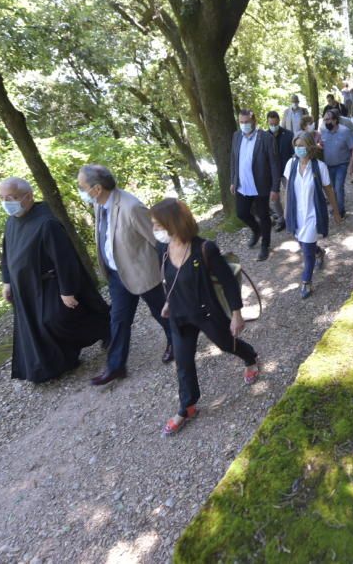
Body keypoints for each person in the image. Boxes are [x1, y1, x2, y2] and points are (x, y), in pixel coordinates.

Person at [151, 198, 260, 435]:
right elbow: (170, 278)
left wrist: (236, 315)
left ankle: (249, 356)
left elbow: (229, 283)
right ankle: (186, 407)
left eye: (158, 225)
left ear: (173, 223)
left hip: (206, 312)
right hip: (179, 316)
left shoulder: (205, 249)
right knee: (183, 363)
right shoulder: (163, 248)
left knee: (226, 344)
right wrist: (169, 302)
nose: (155, 230)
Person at [0, 177, 110, 383]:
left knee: (57, 320)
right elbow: (7, 254)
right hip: (26, 288)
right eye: (2, 198)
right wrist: (7, 280)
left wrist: (67, 290)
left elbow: (64, 258)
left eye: (11, 197)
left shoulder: (46, 222)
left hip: (51, 283)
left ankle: (107, 327)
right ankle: (57, 364)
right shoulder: (11, 222)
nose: (6, 202)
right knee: (38, 326)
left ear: (28, 196)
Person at [78, 164, 174, 386]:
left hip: (143, 272)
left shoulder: (131, 207)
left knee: (161, 312)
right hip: (116, 274)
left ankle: (176, 342)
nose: (80, 191)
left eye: (82, 187)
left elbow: (157, 240)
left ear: (97, 188)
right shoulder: (98, 204)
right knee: (119, 320)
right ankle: (116, 367)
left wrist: (167, 271)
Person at [283, 134, 342, 299]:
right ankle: (319, 252)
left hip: (312, 215)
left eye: (301, 145)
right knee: (304, 245)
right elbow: (287, 189)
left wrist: (336, 212)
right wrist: (286, 211)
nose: (298, 149)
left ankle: (306, 282)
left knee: (306, 252)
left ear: (309, 147)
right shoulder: (291, 164)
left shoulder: (319, 167)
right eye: (296, 145)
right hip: (296, 215)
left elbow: (329, 190)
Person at [230, 110, 281, 261]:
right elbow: (233, 159)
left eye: (247, 122)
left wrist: (275, 188)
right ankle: (256, 230)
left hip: (260, 186)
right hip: (242, 185)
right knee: (241, 213)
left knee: (264, 215)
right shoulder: (236, 136)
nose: (244, 125)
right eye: (241, 122)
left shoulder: (265, 138)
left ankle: (265, 244)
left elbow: (274, 164)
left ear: (254, 121)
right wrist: (233, 180)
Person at [320, 109, 353, 218]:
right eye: (325, 120)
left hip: (342, 164)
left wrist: (351, 166)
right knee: (331, 189)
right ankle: (335, 207)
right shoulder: (323, 131)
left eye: (329, 119)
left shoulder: (345, 131)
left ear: (335, 120)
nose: (326, 122)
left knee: (338, 187)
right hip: (328, 165)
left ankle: (340, 210)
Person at [267, 110, 294, 233]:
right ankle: (281, 219)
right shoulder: (265, 136)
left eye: (275, 123)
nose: (273, 126)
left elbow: (294, 153)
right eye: (271, 124)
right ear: (268, 123)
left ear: (278, 121)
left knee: (291, 194)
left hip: (286, 170)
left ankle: (292, 217)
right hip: (272, 173)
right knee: (275, 198)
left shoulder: (288, 135)